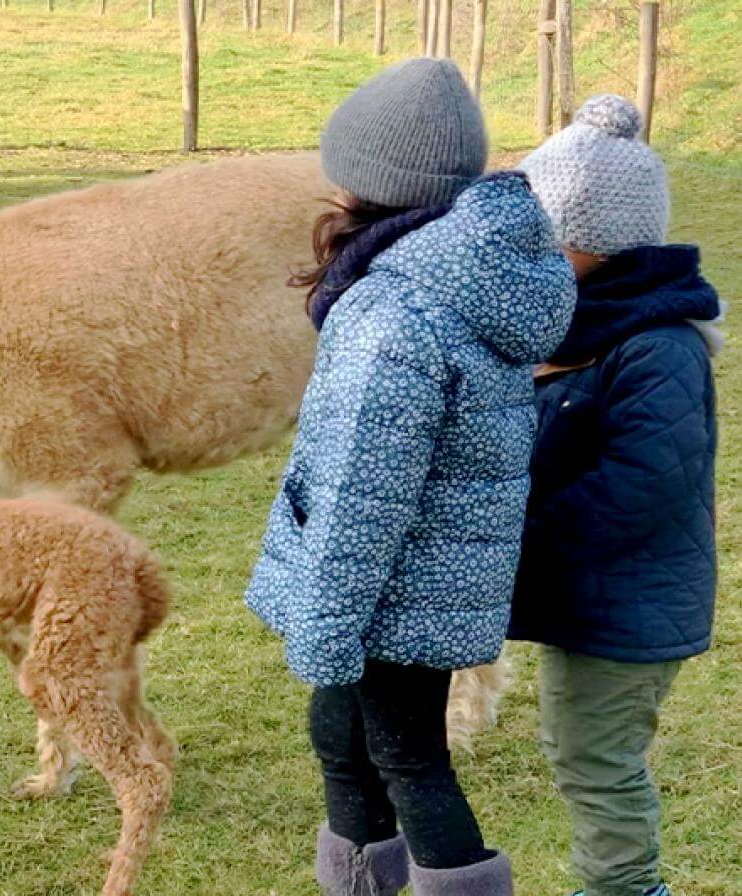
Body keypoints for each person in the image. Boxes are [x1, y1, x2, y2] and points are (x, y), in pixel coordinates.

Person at [244, 58, 576, 896]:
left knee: (407, 756)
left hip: (397, 587)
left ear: (366, 177)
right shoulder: (455, 278)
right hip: (436, 575)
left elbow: (363, 494)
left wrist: (325, 626)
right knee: (346, 737)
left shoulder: (396, 313)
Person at [511, 94, 721, 896]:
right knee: (583, 751)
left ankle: (625, 892)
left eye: (548, 236)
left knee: (595, 759)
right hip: (596, 593)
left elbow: (644, 485)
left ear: (593, 239)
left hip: (629, 604)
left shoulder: (656, 345)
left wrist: (524, 532)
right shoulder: (587, 327)